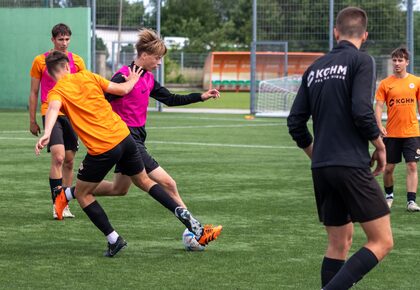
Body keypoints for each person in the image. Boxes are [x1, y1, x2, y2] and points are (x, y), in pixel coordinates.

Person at [35, 51, 222, 257]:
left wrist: (47, 132)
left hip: (103, 147)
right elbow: (122, 90)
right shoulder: (88, 75)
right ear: (68, 67)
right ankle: (195, 227)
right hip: (125, 138)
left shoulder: (56, 92)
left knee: (83, 193)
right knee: (145, 183)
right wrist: (133, 79)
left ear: (51, 74)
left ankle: (113, 239)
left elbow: (52, 109)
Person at [287, 7, 393, 289]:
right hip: (350, 164)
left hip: (322, 167)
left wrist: (318, 155)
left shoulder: (314, 68)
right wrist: (380, 145)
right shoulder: (362, 61)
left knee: (339, 242)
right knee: (382, 241)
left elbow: (295, 123)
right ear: (365, 35)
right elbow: (361, 110)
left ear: (336, 32)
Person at [92, 28, 220, 210]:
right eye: (157, 58)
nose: (159, 63)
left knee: (118, 188)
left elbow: (170, 99)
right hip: (125, 138)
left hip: (138, 136)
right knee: (169, 183)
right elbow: (101, 103)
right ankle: (195, 229)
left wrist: (201, 96)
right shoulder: (122, 76)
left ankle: (68, 193)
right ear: (144, 55)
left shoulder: (149, 79)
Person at [29, 23, 85, 219]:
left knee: (69, 161)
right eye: (60, 39)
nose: (64, 43)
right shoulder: (40, 61)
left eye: (67, 39)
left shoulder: (77, 61)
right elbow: (34, 91)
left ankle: (64, 204)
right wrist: (32, 120)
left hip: (71, 115)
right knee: (58, 157)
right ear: (52, 40)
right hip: (50, 113)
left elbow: (81, 89)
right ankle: (56, 205)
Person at [374, 47, 420, 211]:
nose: (397, 63)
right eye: (394, 60)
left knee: (412, 166)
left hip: (412, 132)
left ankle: (411, 201)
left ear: (407, 62)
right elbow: (378, 106)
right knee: (388, 169)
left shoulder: (416, 81)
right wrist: (379, 125)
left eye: (400, 60)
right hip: (391, 133)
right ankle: (389, 196)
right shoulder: (385, 84)